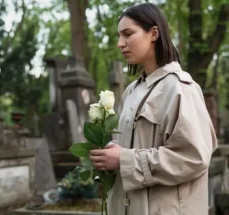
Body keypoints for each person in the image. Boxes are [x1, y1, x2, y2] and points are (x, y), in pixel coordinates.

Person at [89, 3, 217, 215]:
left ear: (154, 33)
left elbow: (193, 157)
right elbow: (130, 148)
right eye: (119, 36)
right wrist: (110, 154)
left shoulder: (181, 88)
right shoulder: (131, 91)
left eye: (128, 34)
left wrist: (125, 159)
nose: (121, 44)